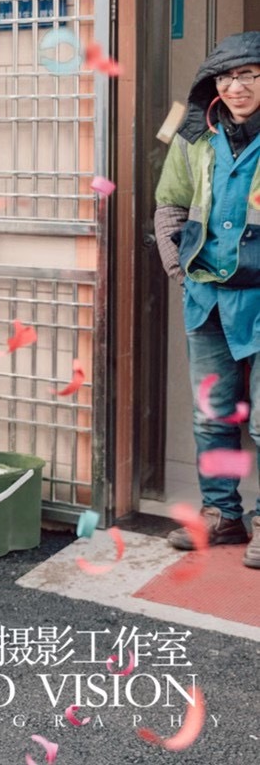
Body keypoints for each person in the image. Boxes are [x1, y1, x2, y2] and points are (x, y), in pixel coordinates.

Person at [153, 31, 260, 569]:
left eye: (248, 74)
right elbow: (170, 205)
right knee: (211, 415)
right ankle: (222, 515)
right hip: (208, 298)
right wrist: (180, 271)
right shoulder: (195, 135)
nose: (236, 86)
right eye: (226, 77)